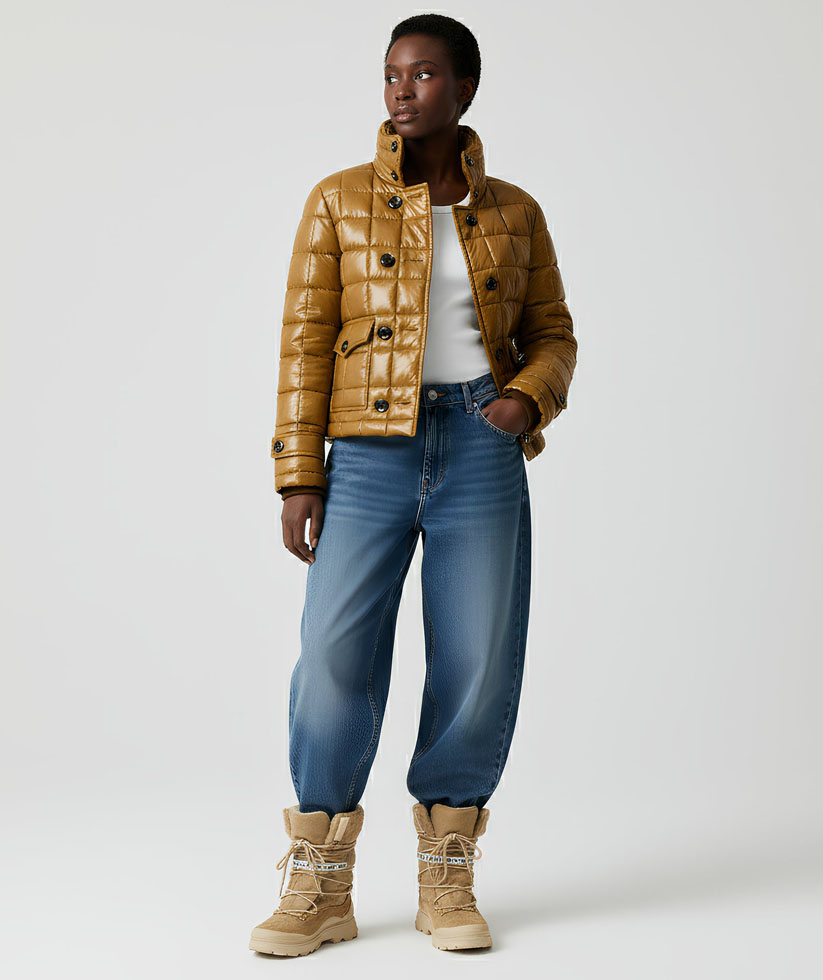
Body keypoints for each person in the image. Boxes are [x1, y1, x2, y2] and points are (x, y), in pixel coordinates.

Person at [249, 13, 578, 958]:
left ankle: (447, 869)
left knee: (476, 656)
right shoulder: (336, 201)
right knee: (332, 656)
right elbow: (305, 341)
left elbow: (554, 332)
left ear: (464, 89)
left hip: (480, 444)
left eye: (424, 74)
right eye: (392, 73)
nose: (402, 89)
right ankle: (320, 882)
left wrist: (524, 400)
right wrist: (297, 473)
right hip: (365, 452)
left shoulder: (516, 211)